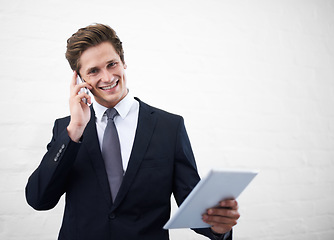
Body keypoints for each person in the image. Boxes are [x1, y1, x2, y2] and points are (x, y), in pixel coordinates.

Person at [25, 23, 240, 240]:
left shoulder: (169, 127)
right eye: (93, 71)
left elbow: (192, 204)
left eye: (112, 64)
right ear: (80, 79)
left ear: (123, 62)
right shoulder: (67, 129)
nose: (107, 77)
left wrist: (218, 227)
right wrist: (75, 130)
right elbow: (39, 199)